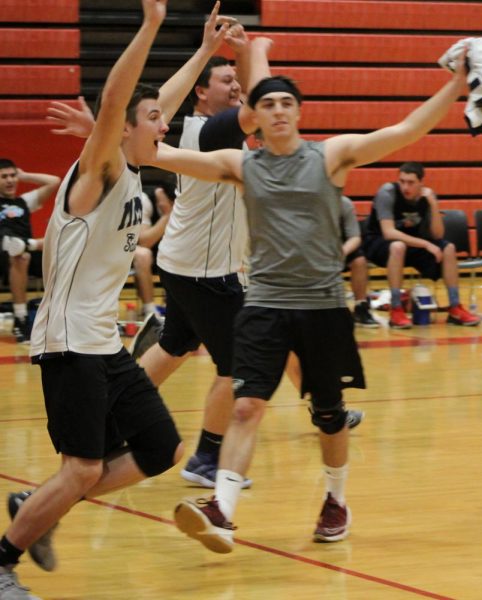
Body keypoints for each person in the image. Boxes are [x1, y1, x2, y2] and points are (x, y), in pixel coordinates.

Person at [150, 45, 470, 551]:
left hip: (321, 306)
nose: (277, 110)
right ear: (257, 116)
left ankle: (336, 499)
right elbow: (157, 153)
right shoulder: (242, 163)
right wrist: (112, 129)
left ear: (298, 112)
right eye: (268, 104)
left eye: (285, 103)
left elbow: (406, 132)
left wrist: (455, 86)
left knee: (328, 414)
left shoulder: (332, 156)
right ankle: (222, 509)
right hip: (263, 303)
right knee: (246, 405)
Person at [46, 36, 364, 496]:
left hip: (185, 260)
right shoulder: (213, 131)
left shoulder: (204, 132)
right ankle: (208, 457)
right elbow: (259, 105)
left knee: (174, 345)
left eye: (236, 80)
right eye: (226, 81)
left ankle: (113, 420)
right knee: (241, 368)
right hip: (205, 271)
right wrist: (254, 50)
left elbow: (133, 127)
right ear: (202, 92)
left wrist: (97, 129)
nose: (236, 87)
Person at [0, 2, 234, 597]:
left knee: (159, 448)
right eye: (154, 118)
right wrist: (152, 25)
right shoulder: (98, 169)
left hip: (103, 343)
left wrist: (205, 52)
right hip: (68, 340)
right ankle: (3, 560)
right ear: (123, 129)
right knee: (80, 467)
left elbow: (156, 104)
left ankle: (39, 506)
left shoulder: (131, 168)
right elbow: (115, 105)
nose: (165, 125)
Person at [365, 162, 480, 329]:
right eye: (402, 181)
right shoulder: (387, 192)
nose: (405, 187)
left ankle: (455, 307)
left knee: (448, 248)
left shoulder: (426, 198)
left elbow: (438, 234)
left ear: (421, 183)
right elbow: (389, 232)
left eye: (410, 183)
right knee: (398, 246)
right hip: (377, 242)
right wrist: (426, 244)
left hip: (410, 242)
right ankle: (396, 309)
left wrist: (433, 204)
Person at [0, 159, 60, 343]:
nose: (10, 180)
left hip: (25, 252)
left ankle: (61, 315)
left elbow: (54, 181)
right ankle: (21, 319)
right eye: (4, 177)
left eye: (13, 176)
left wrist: (24, 175)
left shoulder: (24, 202)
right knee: (20, 255)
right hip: (2, 255)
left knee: (61, 247)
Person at [131, 181, 174, 320]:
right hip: (128, 248)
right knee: (143, 254)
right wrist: (167, 216)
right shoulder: (142, 199)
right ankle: (150, 313)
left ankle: (176, 308)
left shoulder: (182, 202)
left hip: (163, 251)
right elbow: (144, 242)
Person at [341, 196, 378, 327]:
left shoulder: (344, 203)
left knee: (360, 261)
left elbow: (355, 237)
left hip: (340, 248)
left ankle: (360, 307)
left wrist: (342, 252)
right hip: (315, 249)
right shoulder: (311, 203)